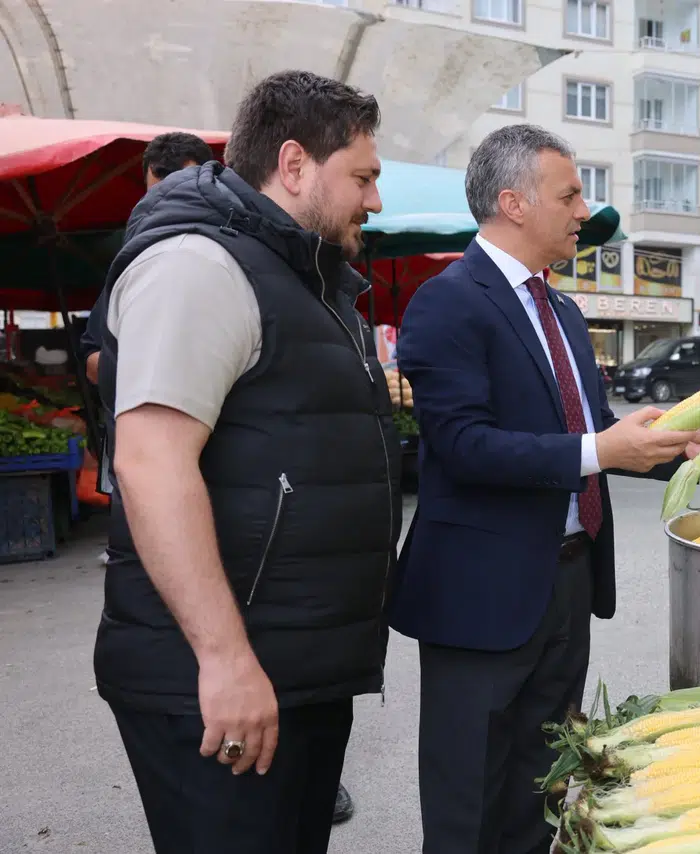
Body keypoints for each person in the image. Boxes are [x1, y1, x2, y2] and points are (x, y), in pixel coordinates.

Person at [390, 123, 700, 853]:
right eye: (570, 194)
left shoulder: (561, 309)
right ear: (513, 202)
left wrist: (679, 446)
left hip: (567, 580)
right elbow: (463, 446)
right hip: (482, 595)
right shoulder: (448, 302)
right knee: (469, 799)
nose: (583, 211)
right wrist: (600, 445)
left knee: (542, 785)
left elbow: (593, 434)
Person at [93, 69, 398, 853]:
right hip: (220, 679)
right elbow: (151, 464)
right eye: (362, 176)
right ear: (294, 165)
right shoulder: (199, 266)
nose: (375, 199)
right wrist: (226, 662)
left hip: (294, 672)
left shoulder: (302, 276)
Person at [81, 132, 216, 385]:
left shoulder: (236, 252)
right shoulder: (131, 264)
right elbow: (92, 361)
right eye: (155, 197)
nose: (166, 208)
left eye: (183, 194)